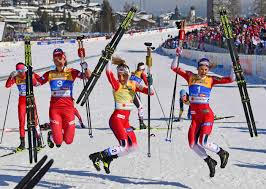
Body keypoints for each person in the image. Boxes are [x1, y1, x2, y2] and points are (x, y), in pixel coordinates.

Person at [171, 47, 235, 177]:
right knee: (192, 144)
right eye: (201, 68)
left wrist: (234, 66)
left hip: (206, 115)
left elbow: (230, 79)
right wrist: (177, 55)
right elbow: (174, 68)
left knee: (203, 142)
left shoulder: (211, 79)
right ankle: (209, 161)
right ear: (198, 68)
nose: (203, 71)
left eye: (206, 69)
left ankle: (222, 153)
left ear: (208, 69)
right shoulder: (190, 76)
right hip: (195, 118)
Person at [89, 56, 154, 174]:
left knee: (133, 146)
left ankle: (108, 158)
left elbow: (151, 92)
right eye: (119, 75)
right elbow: (109, 74)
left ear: (128, 74)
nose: (121, 78)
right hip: (116, 119)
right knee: (124, 145)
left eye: (123, 75)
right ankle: (97, 155)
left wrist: (150, 83)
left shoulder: (133, 85)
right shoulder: (117, 85)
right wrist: (108, 60)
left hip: (125, 122)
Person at [36, 48, 91, 148]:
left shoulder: (71, 72)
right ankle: (51, 135)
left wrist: (85, 67)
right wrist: (28, 73)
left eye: (60, 57)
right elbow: (37, 83)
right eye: (55, 58)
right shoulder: (50, 74)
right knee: (58, 141)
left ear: (64, 59)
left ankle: (56, 133)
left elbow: (88, 77)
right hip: (55, 110)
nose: (58, 59)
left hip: (68, 109)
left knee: (68, 140)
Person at [5, 62, 42, 152]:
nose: (21, 73)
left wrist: (32, 76)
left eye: (22, 70)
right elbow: (7, 86)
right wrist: (10, 76)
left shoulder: (29, 74)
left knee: (34, 121)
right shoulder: (16, 77)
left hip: (30, 100)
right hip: (21, 101)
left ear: (25, 69)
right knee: (21, 121)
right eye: (18, 71)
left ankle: (39, 141)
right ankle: (22, 144)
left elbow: (39, 83)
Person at [129, 62, 148, 129]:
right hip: (132, 92)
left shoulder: (134, 73)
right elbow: (147, 84)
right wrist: (149, 79)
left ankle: (125, 124)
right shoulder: (142, 74)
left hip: (126, 91)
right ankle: (141, 124)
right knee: (140, 107)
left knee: (127, 108)